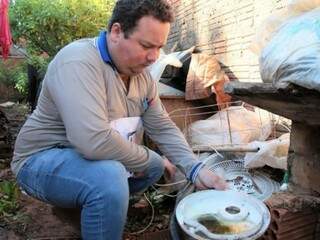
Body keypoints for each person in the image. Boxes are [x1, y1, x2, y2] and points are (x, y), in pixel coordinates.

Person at [11, 0, 227, 239]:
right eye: (146, 45)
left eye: (159, 47)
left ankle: (89, 206)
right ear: (116, 32)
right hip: (39, 161)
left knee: (152, 168)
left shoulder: (142, 79)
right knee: (111, 177)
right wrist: (149, 157)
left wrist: (196, 169)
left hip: (85, 161)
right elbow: (93, 141)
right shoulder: (79, 62)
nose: (154, 57)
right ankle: (94, 202)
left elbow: (163, 126)